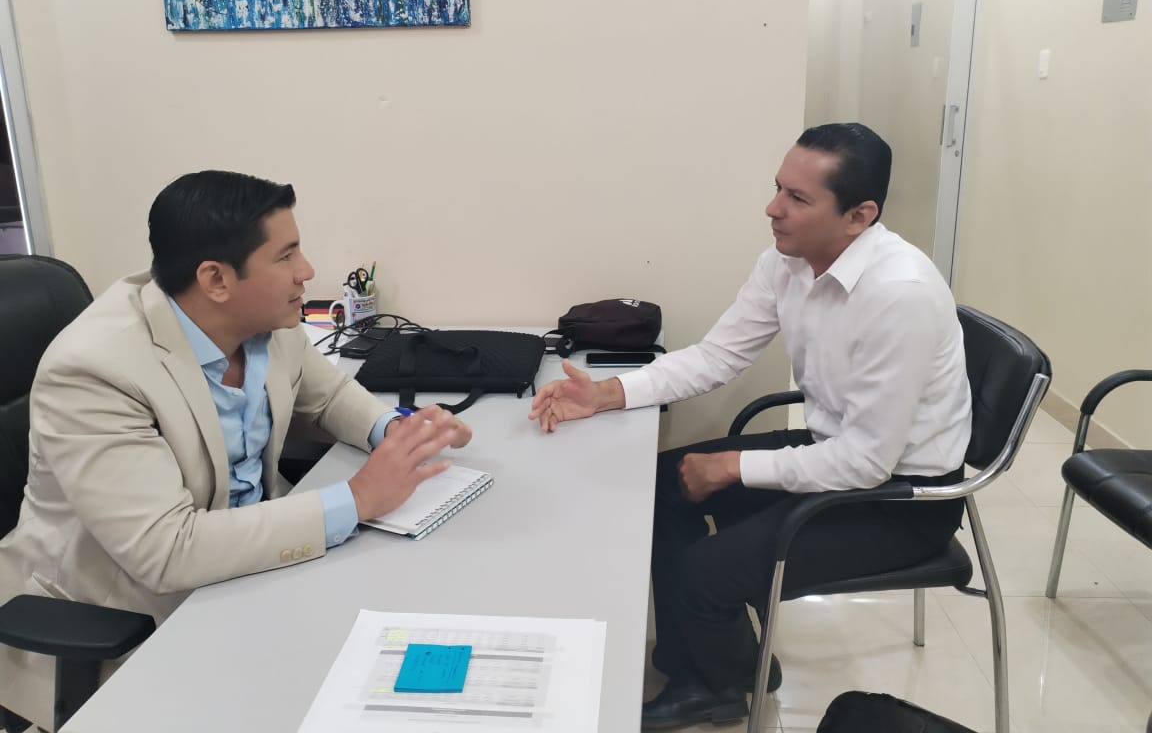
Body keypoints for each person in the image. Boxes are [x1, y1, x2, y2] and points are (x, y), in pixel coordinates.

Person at [529, 123, 972, 729]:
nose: (773, 208)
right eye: (778, 188)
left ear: (858, 216)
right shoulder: (788, 261)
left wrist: (733, 467)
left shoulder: (900, 295)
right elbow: (720, 355)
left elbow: (867, 463)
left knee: (706, 571)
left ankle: (713, 688)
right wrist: (608, 393)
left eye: (797, 198)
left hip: (901, 498)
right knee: (663, 484)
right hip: (836, 450)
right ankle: (725, 662)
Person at [0, 170, 471, 731]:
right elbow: (167, 550)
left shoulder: (267, 321)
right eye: (285, 256)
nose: (306, 271)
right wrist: (358, 498)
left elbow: (326, 395)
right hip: (133, 617)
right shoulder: (94, 369)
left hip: (255, 575)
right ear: (216, 279)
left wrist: (397, 432)